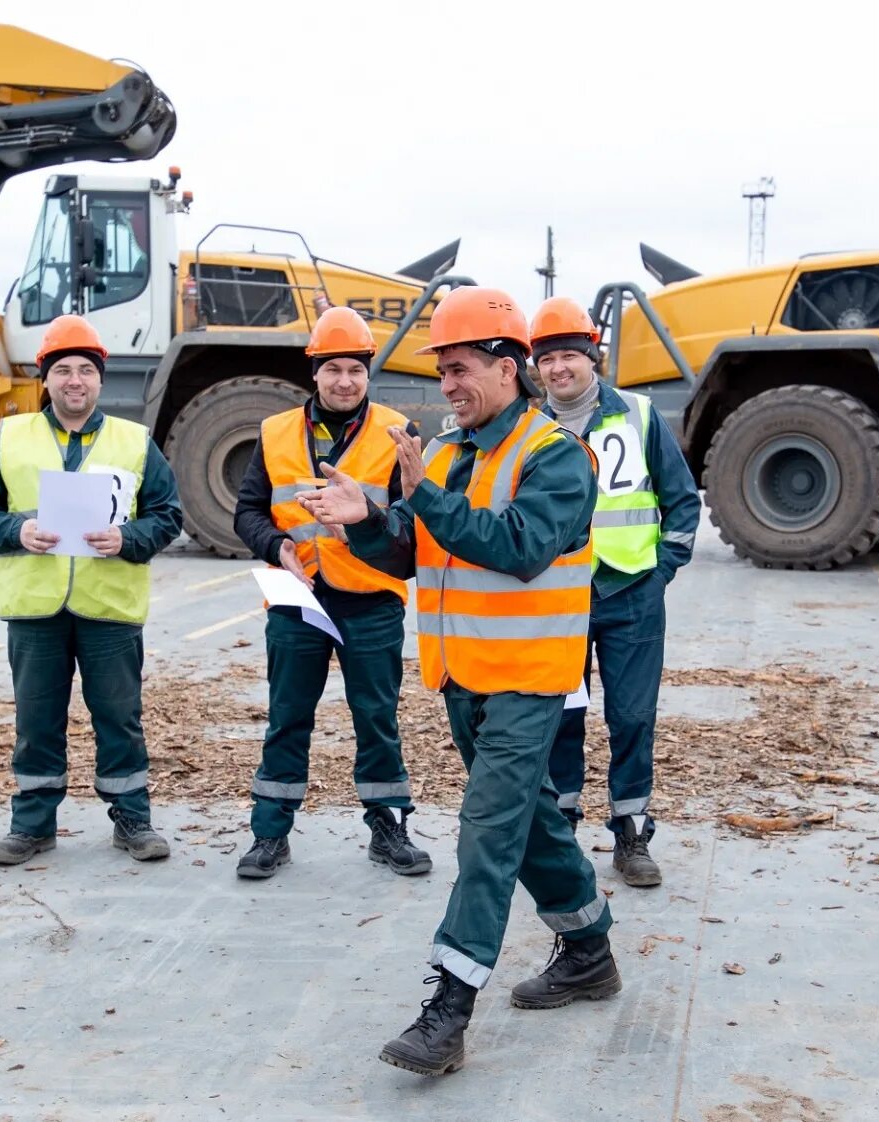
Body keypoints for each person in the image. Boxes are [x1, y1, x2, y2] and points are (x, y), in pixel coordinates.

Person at [297, 285, 618, 1077]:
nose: (448, 385)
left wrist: (421, 498)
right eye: (442, 372)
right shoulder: (441, 454)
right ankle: (588, 948)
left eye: (462, 368)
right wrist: (369, 518)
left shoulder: (554, 456)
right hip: (463, 678)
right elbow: (414, 549)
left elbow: (518, 546)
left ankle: (449, 1004)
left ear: (510, 370)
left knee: (486, 834)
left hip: (529, 678)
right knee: (530, 822)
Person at [0, 314, 184, 866]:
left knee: (119, 720)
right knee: (35, 723)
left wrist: (128, 538)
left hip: (110, 608)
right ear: (47, 380)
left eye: (85, 370)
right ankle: (32, 826)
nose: (74, 380)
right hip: (36, 609)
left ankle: (133, 821)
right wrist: (17, 530)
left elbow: (167, 515)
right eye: (63, 370)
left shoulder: (134, 441)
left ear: (100, 381)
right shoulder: (10, 438)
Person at [229, 306, 428, 879]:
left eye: (356, 371)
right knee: (288, 717)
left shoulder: (398, 435)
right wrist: (277, 547)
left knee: (377, 717)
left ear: (369, 375)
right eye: (333, 369)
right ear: (313, 372)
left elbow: (414, 525)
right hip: (298, 598)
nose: (345, 380)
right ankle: (270, 834)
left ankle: (388, 828)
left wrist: (366, 526)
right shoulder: (274, 433)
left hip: (371, 599)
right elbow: (247, 512)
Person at [529, 296, 701, 887]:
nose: (559, 369)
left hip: (631, 592)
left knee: (631, 717)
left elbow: (680, 498)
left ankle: (631, 834)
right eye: (547, 358)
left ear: (592, 358)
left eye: (569, 356)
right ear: (535, 368)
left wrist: (664, 567)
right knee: (561, 718)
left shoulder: (639, 415)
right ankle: (564, 828)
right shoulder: (529, 428)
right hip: (558, 597)